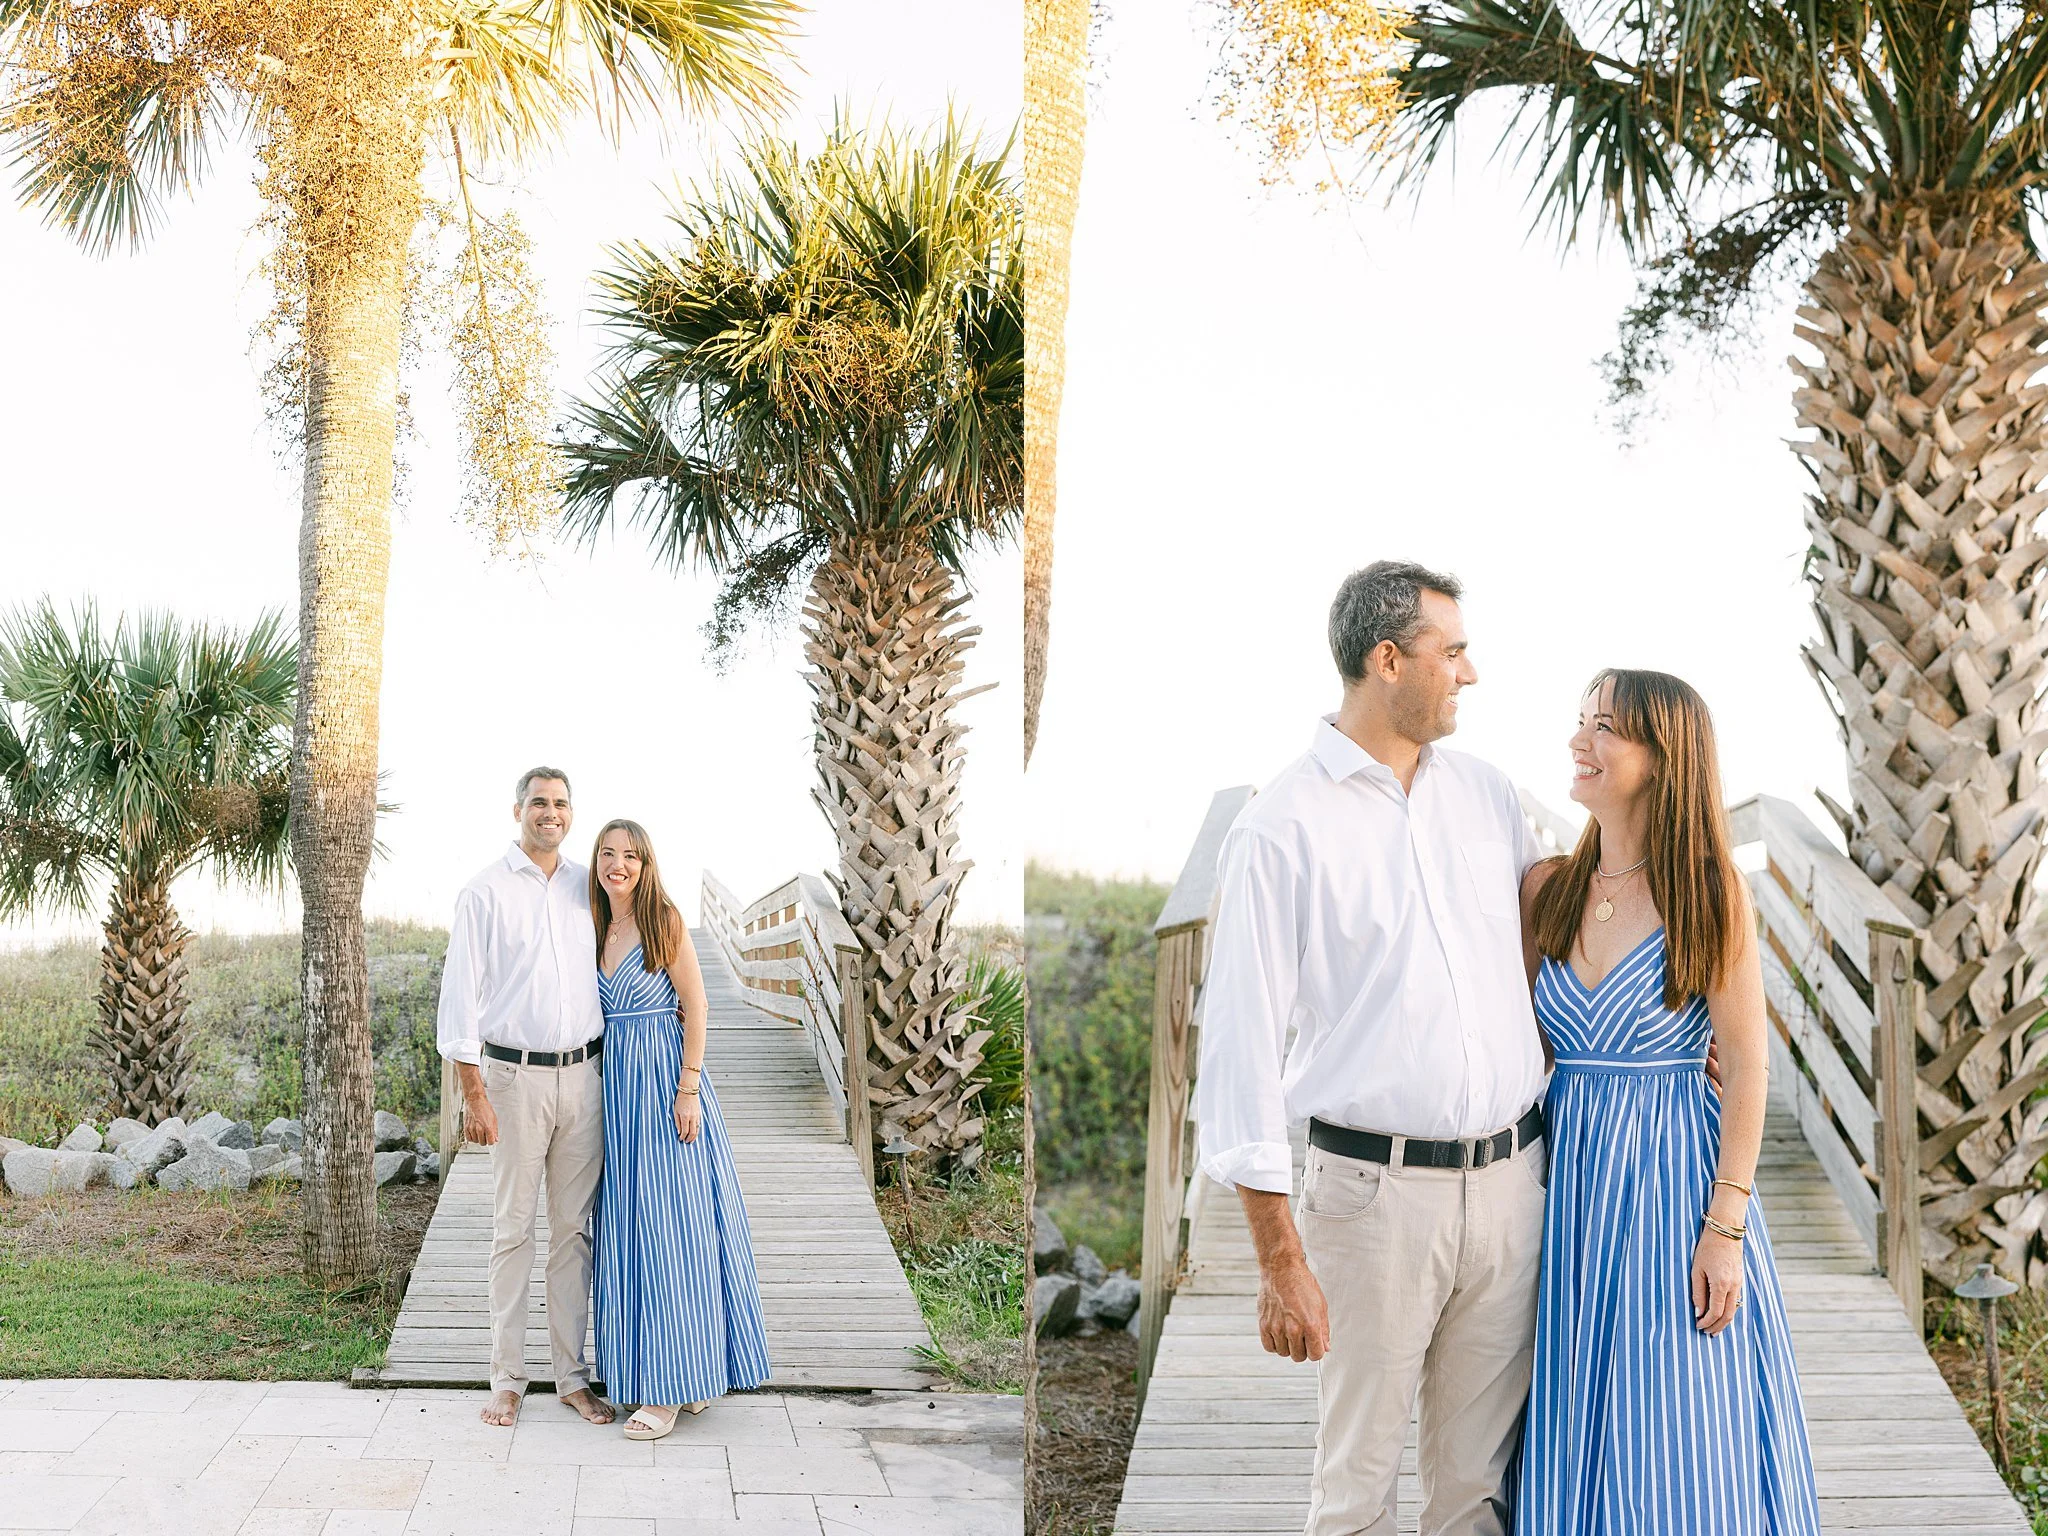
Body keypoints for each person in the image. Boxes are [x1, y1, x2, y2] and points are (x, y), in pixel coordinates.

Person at [1196, 560, 1550, 1536]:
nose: (1468, 674)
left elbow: (1569, 935)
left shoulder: (1487, 794)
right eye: (1453, 652)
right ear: (1385, 660)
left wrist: (1691, 1027)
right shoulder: (1279, 827)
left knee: (1474, 1491)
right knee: (1356, 1490)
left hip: (1514, 1185)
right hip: (1372, 1204)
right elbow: (1236, 1054)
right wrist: (1278, 1262)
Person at [1514, 670, 1819, 1534]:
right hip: (1567, 1182)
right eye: (1579, 720)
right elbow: (1514, 1049)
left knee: (1672, 1419)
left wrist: (1723, 1230)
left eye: (1604, 726)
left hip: (1670, 1184)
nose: (1580, 740)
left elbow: (1752, 1071)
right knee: (1575, 1405)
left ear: (1662, 756)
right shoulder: (1547, 889)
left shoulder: (1710, 892)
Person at [435, 767, 614, 1430]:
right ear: (517, 810)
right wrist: (472, 1095)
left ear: (571, 813)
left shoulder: (585, 886)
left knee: (573, 1233)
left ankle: (571, 1375)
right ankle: (508, 1378)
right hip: (512, 1081)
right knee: (513, 1230)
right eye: (540, 802)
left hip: (585, 1079)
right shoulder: (482, 893)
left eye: (562, 804)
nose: (551, 813)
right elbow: (460, 1002)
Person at [588, 818, 771, 1439]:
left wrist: (687, 1088)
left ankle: (668, 1390)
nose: (618, 865)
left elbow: (698, 1005)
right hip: (615, 1097)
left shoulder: (662, 920)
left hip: (666, 1088)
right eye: (608, 854)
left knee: (675, 1231)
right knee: (628, 1230)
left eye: (631, 856)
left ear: (646, 864)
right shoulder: (593, 925)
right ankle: (672, 1371)